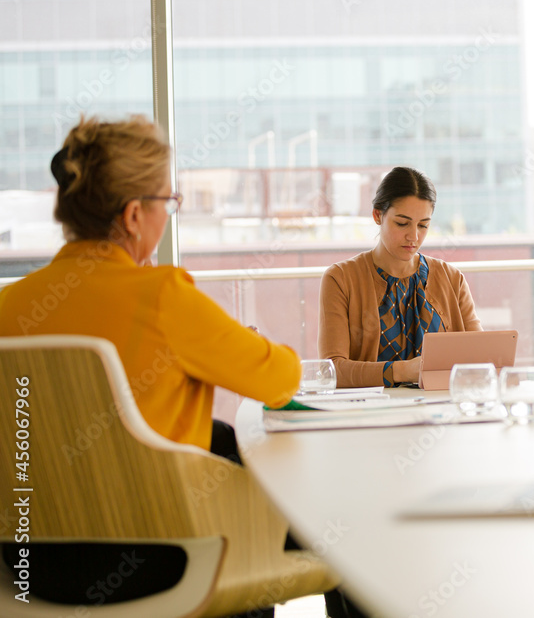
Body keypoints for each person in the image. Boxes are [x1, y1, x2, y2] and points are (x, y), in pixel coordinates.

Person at [0, 115, 313, 615]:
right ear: (132, 215)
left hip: (27, 567)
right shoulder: (164, 298)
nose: (169, 214)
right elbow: (281, 380)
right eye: (168, 202)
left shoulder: (9, 306)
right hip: (165, 559)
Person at [319, 166, 482, 387]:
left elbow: (482, 357)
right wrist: (402, 371)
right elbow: (333, 370)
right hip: (372, 415)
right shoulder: (340, 279)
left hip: (440, 412)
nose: (413, 236)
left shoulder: (452, 279)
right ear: (378, 215)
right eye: (402, 223)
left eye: (423, 225)